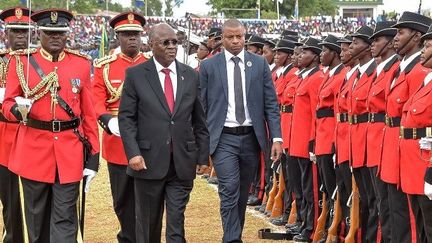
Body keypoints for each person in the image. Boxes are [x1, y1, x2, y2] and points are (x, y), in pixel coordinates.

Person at [1, 8, 100, 243]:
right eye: (49, 32)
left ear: (67, 35)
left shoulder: (81, 64)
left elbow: (88, 114)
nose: (55, 37)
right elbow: (6, 103)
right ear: (39, 33)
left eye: (60, 33)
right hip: (33, 150)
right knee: (36, 221)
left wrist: (94, 156)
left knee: (65, 220)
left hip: (69, 152)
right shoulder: (21, 62)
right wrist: (16, 110)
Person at [118, 23, 209, 243]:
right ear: (151, 45)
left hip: (182, 163)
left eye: (175, 42)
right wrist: (133, 153)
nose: (171, 46)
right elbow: (126, 118)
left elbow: (199, 119)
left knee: (176, 225)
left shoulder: (190, 75)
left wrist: (202, 155)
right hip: (147, 162)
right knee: (148, 225)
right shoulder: (136, 75)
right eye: (165, 42)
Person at [199, 19, 282, 243]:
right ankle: (232, 239)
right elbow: (202, 106)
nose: (235, 41)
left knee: (242, 192)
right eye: (230, 37)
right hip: (223, 137)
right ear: (222, 39)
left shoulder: (259, 64)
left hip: (251, 138)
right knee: (229, 188)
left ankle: (233, 234)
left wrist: (276, 137)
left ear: (244, 37)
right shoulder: (209, 66)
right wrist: (202, 142)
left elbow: (271, 103)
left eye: (239, 37)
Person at [92, 11, 148, 243]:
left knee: (147, 198)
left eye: (135, 34)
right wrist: (107, 119)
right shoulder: (105, 67)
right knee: (122, 200)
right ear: (117, 37)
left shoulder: (151, 64)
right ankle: (127, 237)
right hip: (117, 140)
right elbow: (96, 99)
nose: (132, 39)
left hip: (147, 139)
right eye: (126, 34)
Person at [381, 11, 432, 243]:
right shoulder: (405, 71)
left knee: (413, 219)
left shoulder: (419, 73)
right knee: (395, 211)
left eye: (401, 32)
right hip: (397, 147)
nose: (395, 38)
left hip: (417, 154)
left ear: (416, 36)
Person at [0, 6, 33, 243]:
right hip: (3, 137)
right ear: (6, 35)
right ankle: (13, 237)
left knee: (35, 194)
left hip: (33, 134)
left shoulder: (37, 62)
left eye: (24, 31)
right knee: (9, 195)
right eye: (15, 31)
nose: (21, 36)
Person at [368, 21, 399, 243]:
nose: (372, 45)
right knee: (381, 202)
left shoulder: (396, 69)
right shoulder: (382, 69)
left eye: (376, 40)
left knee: (393, 206)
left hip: (389, 138)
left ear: (388, 42)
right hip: (375, 139)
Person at [348, 25, 379, 242]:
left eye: (355, 43)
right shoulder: (358, 74)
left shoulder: (375, 72)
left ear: (368, 47)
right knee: (365, 197)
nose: (350, 47)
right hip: (356, 140)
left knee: (375, 199)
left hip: (371, 140)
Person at [314, 34, 346, 237]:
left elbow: (336, 112)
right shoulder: (330, 75)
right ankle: (327, 228)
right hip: (321, 137)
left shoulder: (341, 76)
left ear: (334, 54)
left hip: (331, 139)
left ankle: (337, 230)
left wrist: (335, 143)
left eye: (325, 51)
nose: (321, 54)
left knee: (335, 189)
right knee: (326, 188)